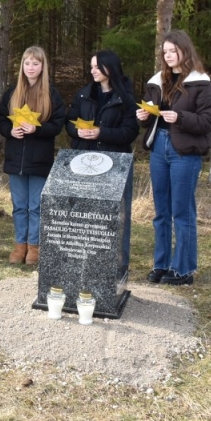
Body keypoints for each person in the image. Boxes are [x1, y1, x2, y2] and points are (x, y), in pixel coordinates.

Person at [136, 30, 211, 286]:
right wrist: (145, 117)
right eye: (165, 51)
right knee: (161, 211)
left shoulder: (200, 83)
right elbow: (150, 112)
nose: (169, 56)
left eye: (173, 50)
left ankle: (183, 269)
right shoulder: (158, 81)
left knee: (182, 212)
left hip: (184, 151)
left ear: (185, 50)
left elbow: (208, 121)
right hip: (159, 146)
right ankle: (161, 264)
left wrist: (180, 118)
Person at [65, 49, 140, 273]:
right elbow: (69, 123)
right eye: (91, 67)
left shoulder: (125, 98)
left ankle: (117, 267)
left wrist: (101, 133)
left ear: (110, 68)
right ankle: (83, 261)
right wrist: (77, 132)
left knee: (116, 217)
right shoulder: (83, 94)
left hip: (114, 163)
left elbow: (130, 132)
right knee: (84, 213)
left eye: (97, 66)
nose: (93, 70)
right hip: (83, 159)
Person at [0, 46, 65, 266]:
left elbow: (58, 124)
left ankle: (34, 246)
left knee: (36, 206)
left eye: (35, 63)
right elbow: (0, 119)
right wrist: (10, 131)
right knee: (19, 206)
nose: (31, 68)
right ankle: (20, 245)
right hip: (16, 159)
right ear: (22, 66)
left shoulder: (51, 94)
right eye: (27, 63)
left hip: (39, 160)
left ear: (42, 66)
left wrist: (38, 129)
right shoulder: (12, 91)